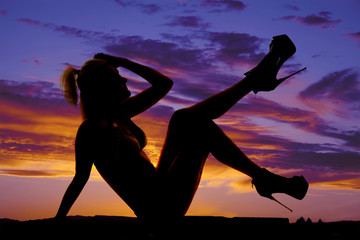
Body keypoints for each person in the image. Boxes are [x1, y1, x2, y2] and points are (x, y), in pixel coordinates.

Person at [55, 35, 308, 222]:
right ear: (105, 87)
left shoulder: (119, 115)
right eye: (117, 77)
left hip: (161, 184)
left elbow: (164, 83)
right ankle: (256, 82)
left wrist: (121, 60)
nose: (124, 78)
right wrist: (58, 221)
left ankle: (264, 176)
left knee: (188, 122)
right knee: (190, 123)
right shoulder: (91, 130)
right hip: (157, 208)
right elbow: (80, 179)